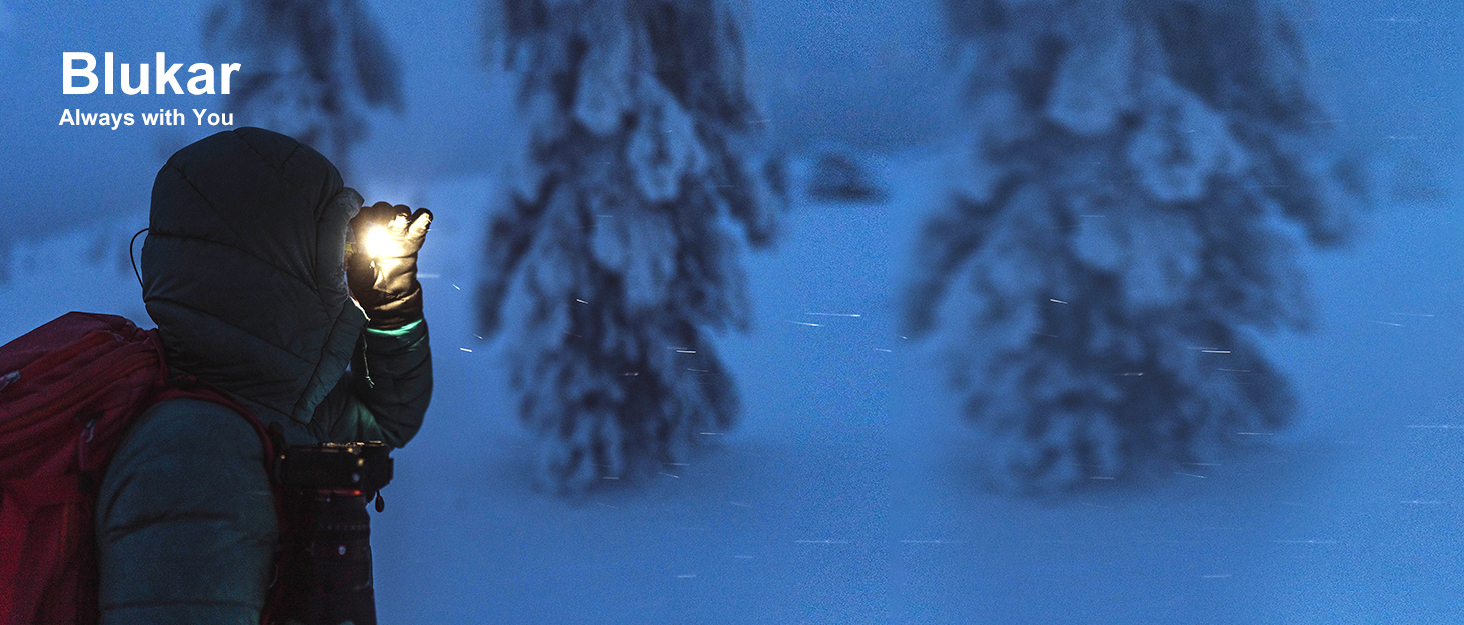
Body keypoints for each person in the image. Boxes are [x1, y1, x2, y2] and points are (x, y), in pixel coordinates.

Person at [93, 127, 433, 624]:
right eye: (331, 244)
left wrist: (390, 301)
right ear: (276, 261)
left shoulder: (268, 398)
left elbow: (388, 417)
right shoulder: (195, 456)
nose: (345, 261)